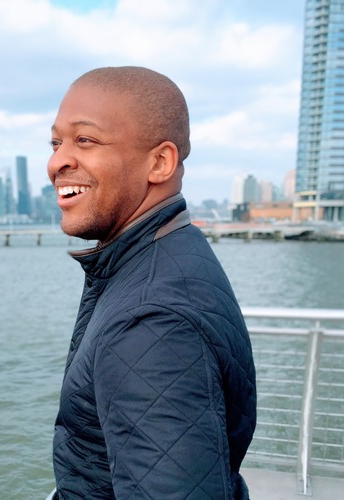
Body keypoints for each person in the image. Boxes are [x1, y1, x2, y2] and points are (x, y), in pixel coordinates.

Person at [47, 66, 256, 499]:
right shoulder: (173, 248)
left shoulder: (151, 324)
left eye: (85, 140)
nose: (56, 162)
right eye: (55, 143)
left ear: (160, 162)